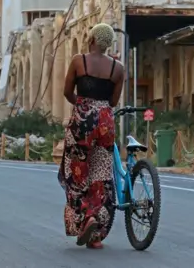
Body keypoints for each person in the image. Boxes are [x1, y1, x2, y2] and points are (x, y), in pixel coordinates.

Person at [58, 23, 124, 250]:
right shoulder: (118, 68)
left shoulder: (79, 61)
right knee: (101, 176)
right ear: (108, 44)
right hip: (106, 122)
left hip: (82, 122)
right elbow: (114, 102)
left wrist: (83, 105)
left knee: (76, 173)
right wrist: (99, 107)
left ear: (92, 39)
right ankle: (96, 237)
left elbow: (67, 92)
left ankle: (86, 218)